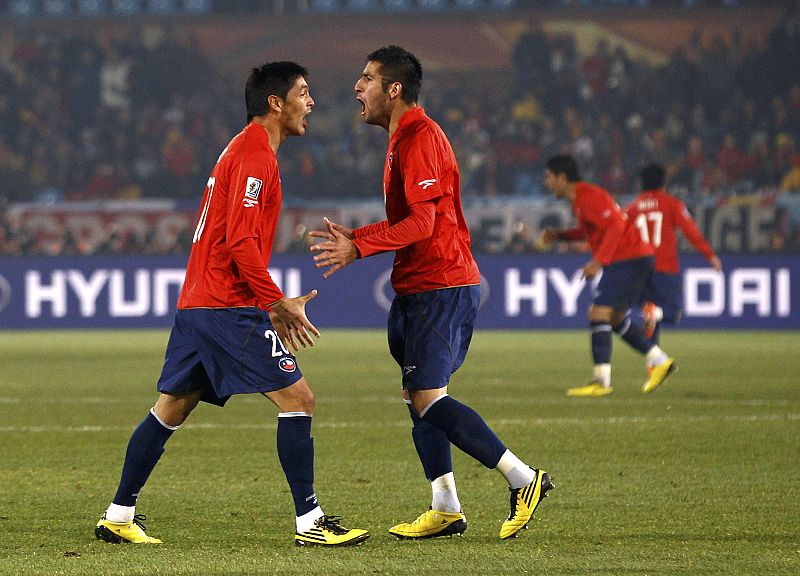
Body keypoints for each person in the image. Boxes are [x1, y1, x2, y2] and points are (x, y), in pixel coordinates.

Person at [94, 62, 369, 547]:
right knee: (298, 400)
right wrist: (275, 302)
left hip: (200, 304)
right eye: (303, 93)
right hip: (224, 306)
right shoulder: (254, 155)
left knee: (170, 408)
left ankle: (118, 515)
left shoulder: (244, 150)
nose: (311, 103)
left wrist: (267, 303)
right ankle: (310, 522)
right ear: (275, 103)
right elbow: (239, 241)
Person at [308, 45, 552, 541]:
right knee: (418, 396)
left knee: (426, 396)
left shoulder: (420, 137)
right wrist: (360, 237)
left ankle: (523, 478)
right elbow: (411, 220)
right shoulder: (401, 139)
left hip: (440, 283)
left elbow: (422, 224)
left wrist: (360, 247)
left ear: (394, 89)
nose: (357, 86)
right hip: (421, 285)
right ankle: (445, 507)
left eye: (367, 78)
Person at [540, 154, 675, 396]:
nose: (546, 182)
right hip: (634, 257)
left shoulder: (587, 196)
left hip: (627, 258)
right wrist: (560, 235)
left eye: (549, 176)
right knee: (614, 318)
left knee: (598, 313)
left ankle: (601, 382)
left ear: (562, 177)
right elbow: (591, 230)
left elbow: (616, 225)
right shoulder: (581, 199)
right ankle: (661, 361)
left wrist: (598, 262)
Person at [627, 163, 722, 346]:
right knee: (671, 313)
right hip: (664, 267)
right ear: (664, 183)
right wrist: (710, 255)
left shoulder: (632, 208)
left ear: (641, 183)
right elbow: (690, 231)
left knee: (649, 316)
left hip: (639, 269)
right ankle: (654, 316)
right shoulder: (671, 204)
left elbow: (619, 236)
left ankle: (654, 360)